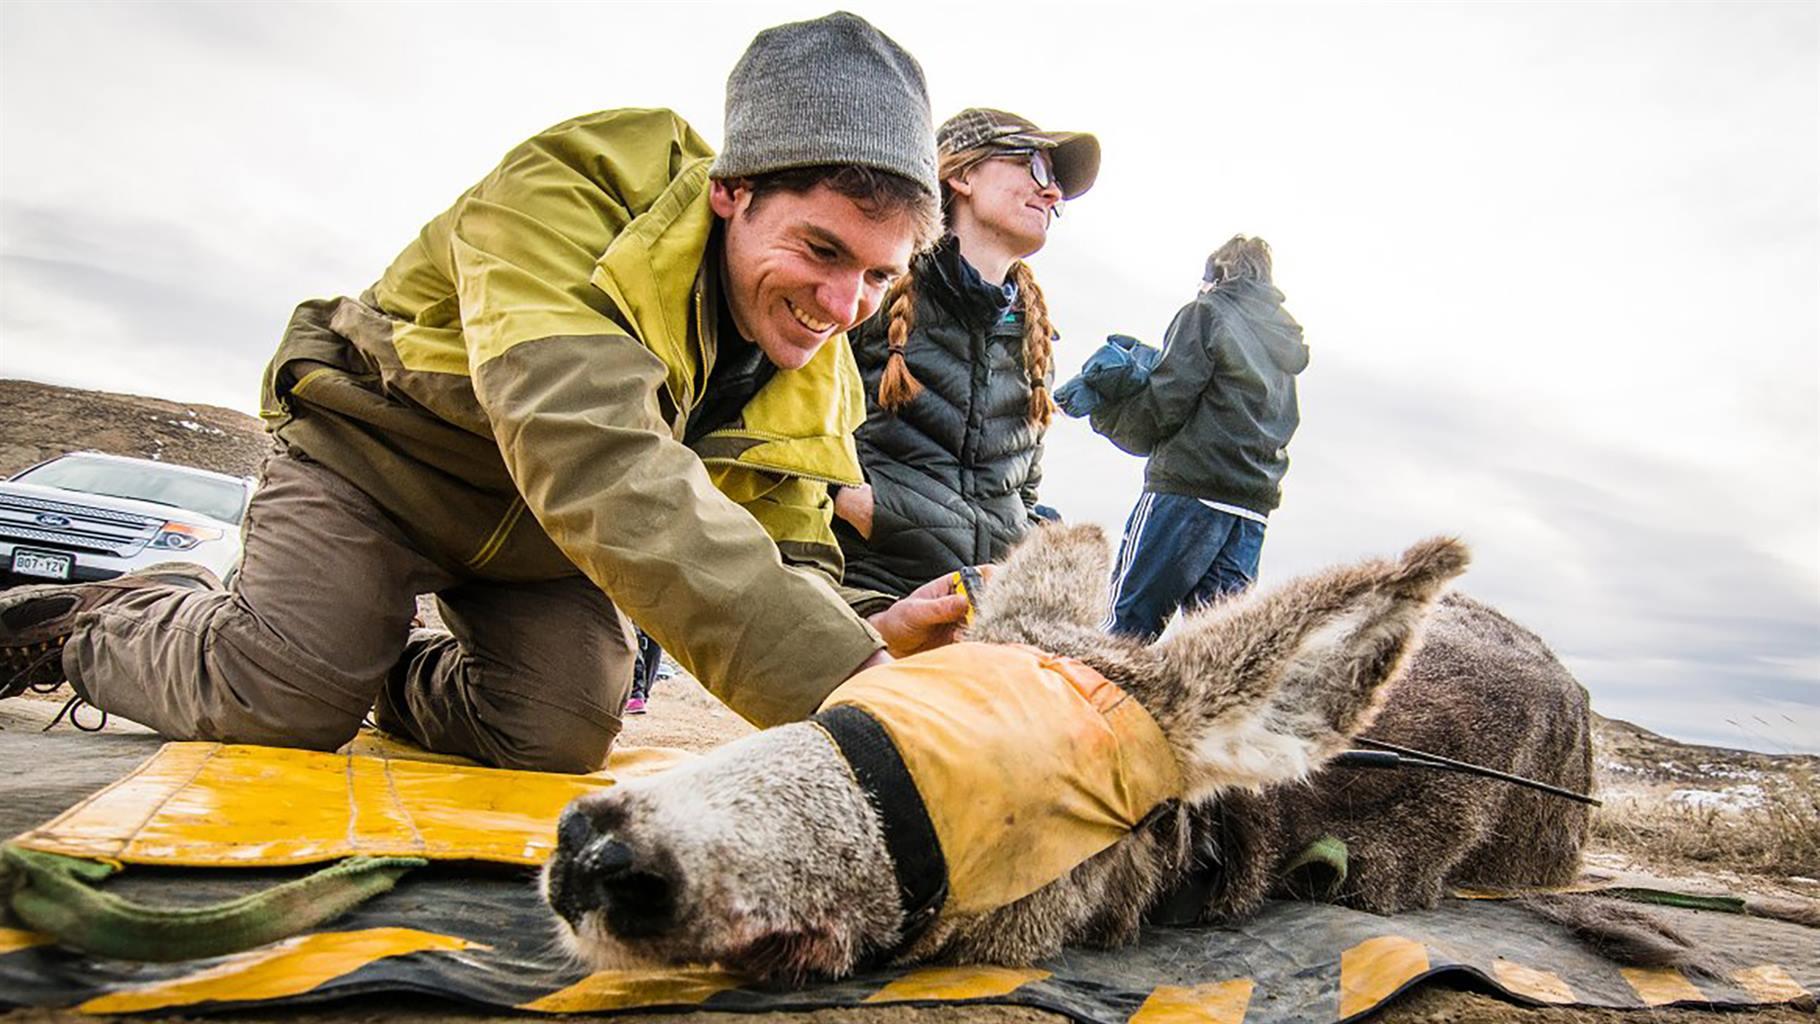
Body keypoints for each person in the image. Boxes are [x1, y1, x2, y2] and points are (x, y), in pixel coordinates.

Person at [0, 12, 970, 773]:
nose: (844, 305)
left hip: (538, 544)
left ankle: (337, 648)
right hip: (377, 466)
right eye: (821, 249)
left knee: (550, 735)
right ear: (732, 189)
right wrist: (842, 676)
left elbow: (787, 544)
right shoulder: (579, 187)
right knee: (278, 703)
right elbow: (584, 444)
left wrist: (860, 633)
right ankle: (96, 621)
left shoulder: (817, 360)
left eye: (880, 276)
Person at [830, 109, 1099, 598]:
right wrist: (862, 505)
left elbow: (1025, 489)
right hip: (870, 588)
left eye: (1056, 181)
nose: (1053, 192)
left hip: (983, 607)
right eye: (1035, 166)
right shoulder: (873, 287)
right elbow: (787, 425)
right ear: (962, 174)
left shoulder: (1035, 335)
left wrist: (1032, 543)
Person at [1088, 236, 1307, 641]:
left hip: (1188, 494)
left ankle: (1088, 705)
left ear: (1218, 274)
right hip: (1250, 510)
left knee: (1123, 633)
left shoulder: (1206, 313)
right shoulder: (1284, 343)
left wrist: (1104, 412)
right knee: (1218, 655)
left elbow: (1165, 402)